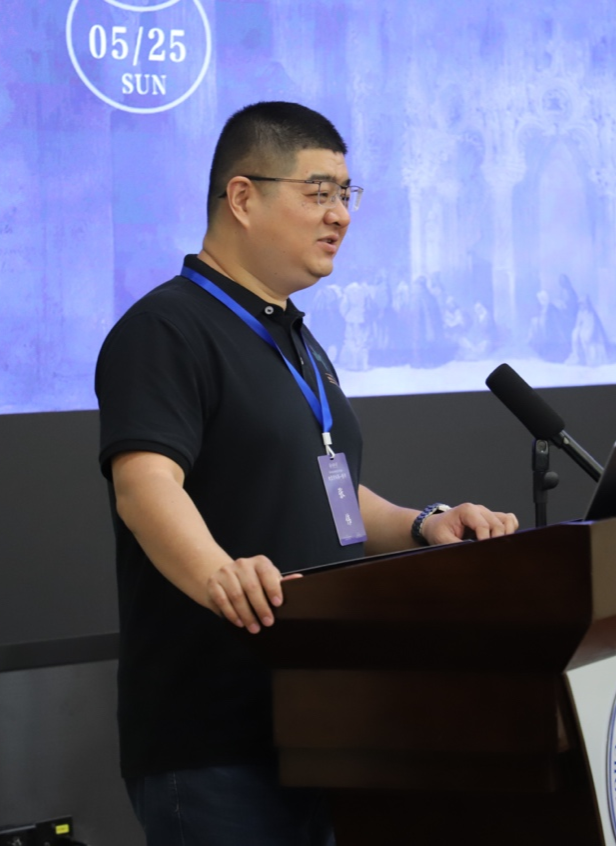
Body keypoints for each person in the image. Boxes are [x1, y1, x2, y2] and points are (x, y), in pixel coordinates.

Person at [94, 101, 519, 846]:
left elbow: (333, 493)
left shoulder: (295, 341)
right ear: (242, 197)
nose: (341, 215)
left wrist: (424, 525)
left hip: (319, 720)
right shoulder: (165, 329)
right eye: (319, 192)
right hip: (215, 737)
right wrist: (220, 571)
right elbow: (145, 484)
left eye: (347, 195)